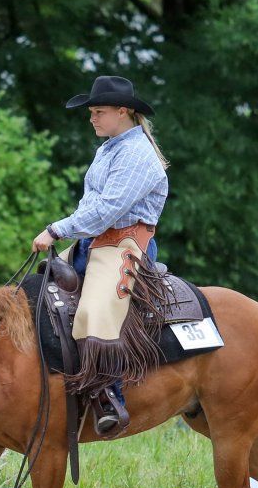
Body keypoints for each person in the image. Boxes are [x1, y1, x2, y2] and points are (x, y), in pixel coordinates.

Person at [31, 75, 170, 437]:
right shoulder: (108, 148)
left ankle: (110, 396)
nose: (92, 118)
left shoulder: (138, 155)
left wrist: (56, 229)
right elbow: (91, 205)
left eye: (99, 112)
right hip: (94, 241)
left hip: (125, 244)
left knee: (95, 310)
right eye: (92, 112)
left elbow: (108, 209)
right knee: (38, 291)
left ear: (123, 112)